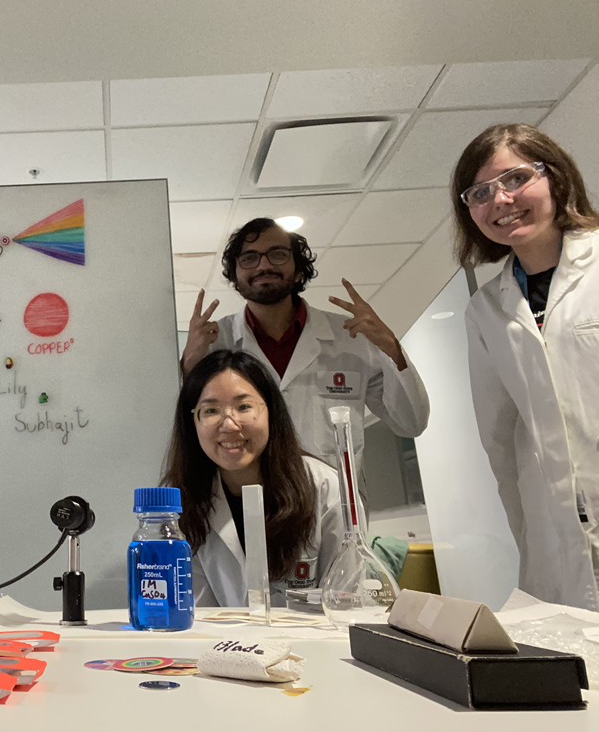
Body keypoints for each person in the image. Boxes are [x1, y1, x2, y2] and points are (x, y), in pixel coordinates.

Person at [181, 219, 430, 509]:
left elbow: (411, 422)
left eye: (277, 254)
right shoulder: (214, 343)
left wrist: (391, 348)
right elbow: (187, 435)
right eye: (249, 258)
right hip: (248, 505)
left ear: (298, 268)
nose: (263, 266)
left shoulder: (350, 337)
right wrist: (190, 363)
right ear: (235, 274)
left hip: (335, 509)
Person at [452, 123, 599, 610]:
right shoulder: (487, 310)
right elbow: (501, 444)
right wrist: (530, 541)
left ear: (554, 178)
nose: (500, 200)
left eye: (516, 179)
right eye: (479, 193)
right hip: (555, 537)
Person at [163, 350, 343, 607]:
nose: (229, 424)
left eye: (244, 407)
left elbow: (346, 596)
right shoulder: (180, 499)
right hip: (220, 643)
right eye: (211, 410)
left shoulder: (324, 486)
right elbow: (193, 610)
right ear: (192, 422)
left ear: (271, 410)